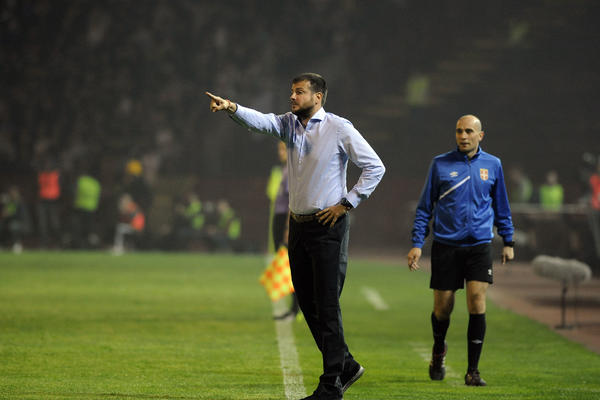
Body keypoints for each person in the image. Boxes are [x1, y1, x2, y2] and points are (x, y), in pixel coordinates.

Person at [206, 72, 385, 400]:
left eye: (299, 92)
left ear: (318, 97)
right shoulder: (289, 124)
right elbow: (260, 122)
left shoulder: (339, 128)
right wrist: (232, 107)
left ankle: (331, 383)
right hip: (299, 225)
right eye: (291, 92)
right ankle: (345, 364)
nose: (292, 97)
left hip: (328, 226)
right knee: (307, 303)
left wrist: (346, 204)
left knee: (327, 305)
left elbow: (375, 166)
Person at [407, 115, 514, 387]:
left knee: (477, 302)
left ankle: (473, 371)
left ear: (481, 135)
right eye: (458, 131)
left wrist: (508, 240)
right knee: (443, 308)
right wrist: (418, 243)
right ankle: (439, 348)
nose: (463, 136)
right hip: (446, 245)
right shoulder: (440, 164)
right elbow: (424, 209)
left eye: (469, 131)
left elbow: (501, 205)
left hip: (479, 244)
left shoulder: (493, 165)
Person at [270, 141, 299, 320]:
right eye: (279, 149)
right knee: (285, 267)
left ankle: (296, 308)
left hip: (284, 220)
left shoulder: (292, 170)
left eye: (283, 149)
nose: (280, 152)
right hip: (280, 218)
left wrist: (288, 228)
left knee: (291, 267)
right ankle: (294, 307)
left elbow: (292, 202)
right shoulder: (286, 169)